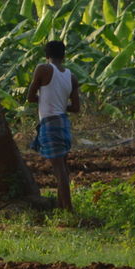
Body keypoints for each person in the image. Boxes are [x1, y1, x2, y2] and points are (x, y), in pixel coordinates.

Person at [26, 40, 81, 211]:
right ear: (64, 56)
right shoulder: (71, 76)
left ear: (46, 55)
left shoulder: (43, 69)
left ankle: (69, 210)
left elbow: (30, 96)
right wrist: (59, 104)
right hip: (63, 122)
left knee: (59, 171)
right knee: (62, 168)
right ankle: (60, 205)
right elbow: (76, 108)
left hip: (50, 123)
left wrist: (44, 100)